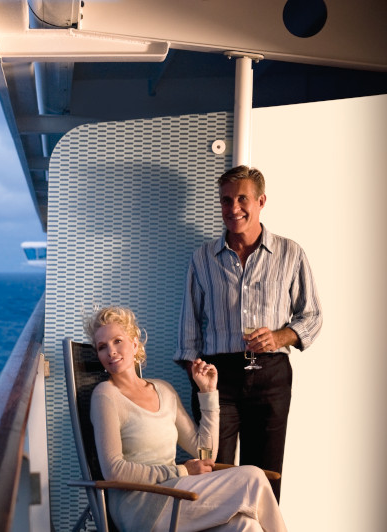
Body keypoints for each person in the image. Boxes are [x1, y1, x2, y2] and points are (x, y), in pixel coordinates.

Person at [174, 165, 323, 501]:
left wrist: (280, 337)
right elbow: (188, 330)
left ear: (261, 201)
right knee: (211, 472)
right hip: (217, 379)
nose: (234, 208)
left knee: (265, 476)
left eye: (242, 199)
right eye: (226, 200)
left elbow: (312, 315)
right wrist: (196, 375)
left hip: (271, 375)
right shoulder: (203, 258)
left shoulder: (290, 253)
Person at [86, 306, 286, 532]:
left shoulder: (164, 390)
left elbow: (205, 453)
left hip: (176, 495)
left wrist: (208, 393)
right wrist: (181, 471)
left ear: (134, 344)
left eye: (117, 341)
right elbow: (114, 470)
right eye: (102, 347)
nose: (110, 351)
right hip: (139, 507)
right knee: (253, 477)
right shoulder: (105, 395)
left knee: (246, 526)